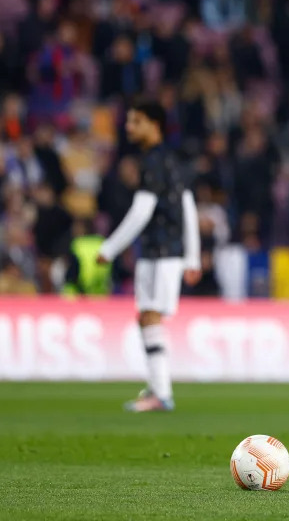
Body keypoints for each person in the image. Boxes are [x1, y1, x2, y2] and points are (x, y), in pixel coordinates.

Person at [97, 100, 201, 412]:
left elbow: (143, 211)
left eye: (136, 121)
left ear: (153, 125)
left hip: (162, 252)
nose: (129, 127)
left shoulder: (155, 161)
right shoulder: (167, 159)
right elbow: (187, 205)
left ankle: (161, 393)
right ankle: (158, 389)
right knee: (146, 317)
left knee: (151, 315)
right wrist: (193, 255)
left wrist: (110, 248)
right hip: (157, 252)